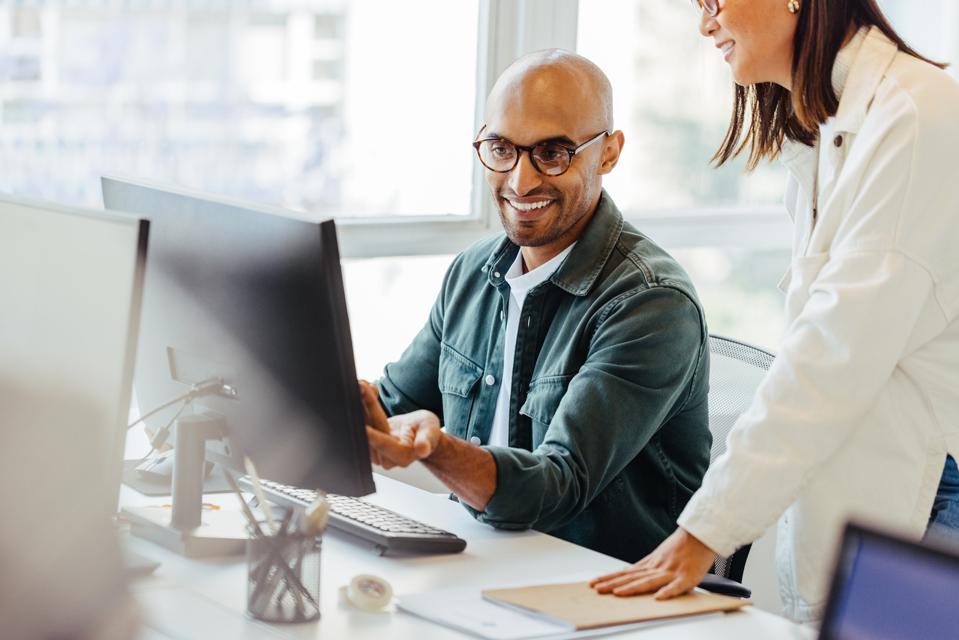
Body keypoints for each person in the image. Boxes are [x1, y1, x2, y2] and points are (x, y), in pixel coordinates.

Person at [591, 0, 959, 623]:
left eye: (712, 1)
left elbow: (833, 353)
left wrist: (705, 530)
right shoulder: (832, 128)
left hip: (930, 500)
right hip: (878, 496)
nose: (703, 23)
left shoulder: (917, 115)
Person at [360, 50, 712, 563]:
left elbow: (557, 487)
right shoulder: (473, 272)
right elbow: (390, 406)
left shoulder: (651, 303)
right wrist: (330, 401)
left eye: (552, 153)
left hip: (599, 594)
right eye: (502, 149)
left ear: (609, 153)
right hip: (483, 568)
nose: (521, 181)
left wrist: (436, 449)